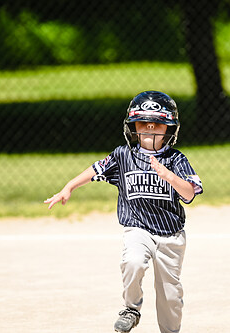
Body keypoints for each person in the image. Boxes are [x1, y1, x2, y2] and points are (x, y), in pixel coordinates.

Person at [44, 91, 203, 333]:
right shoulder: (123, 156)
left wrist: (168, 176)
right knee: (133, 261)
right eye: (143, 124)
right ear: (132, 127)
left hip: (170, 236)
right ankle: (131, 308)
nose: (149, 129)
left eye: (157, 124)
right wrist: (69, 187)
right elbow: (96, 168)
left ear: (169, 129)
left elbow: (190, 194)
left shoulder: (175, 159)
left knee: (170, 295)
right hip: (138, 228)